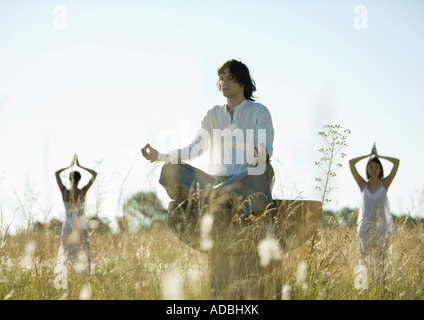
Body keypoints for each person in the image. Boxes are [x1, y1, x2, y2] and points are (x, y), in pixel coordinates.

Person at [141, 58, 275, 217]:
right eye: (222, 78)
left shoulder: (259, 111)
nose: (224, 82)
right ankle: (215, 194)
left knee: (261, 169)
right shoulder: (213, 114)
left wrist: (262, 154)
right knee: (170, 169)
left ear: (242, 82)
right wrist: (161, 156)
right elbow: (195, 148)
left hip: (247, 182)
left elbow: (265, 145)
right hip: (217, 181)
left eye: (230, 78)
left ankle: (202, 195)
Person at [349, 143, 399, 283]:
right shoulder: (362, 184)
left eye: (376, 167)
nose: (374, 169)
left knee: (380, 261)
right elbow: (351, 163)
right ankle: (361, 289)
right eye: (371, 167)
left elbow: (396, 163)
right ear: (367, 169)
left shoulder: (385, 184)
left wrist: (378, 156)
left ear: (380, 169)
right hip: (364, 227)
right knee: (362, 260)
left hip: (381, 228)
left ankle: (379, 289)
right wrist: (368, 155)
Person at [55, 154, 97, 271]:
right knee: (84, 250)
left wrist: (69, 166)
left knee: (66, 252)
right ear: (79, 180)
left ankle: (66, 275)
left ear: (69, 179)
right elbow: (94, 174)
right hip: (80, 225)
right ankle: (86, 274)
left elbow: (56, 174)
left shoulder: (64, 191)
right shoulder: (83, 191)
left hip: (68, 225)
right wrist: (80, 165)